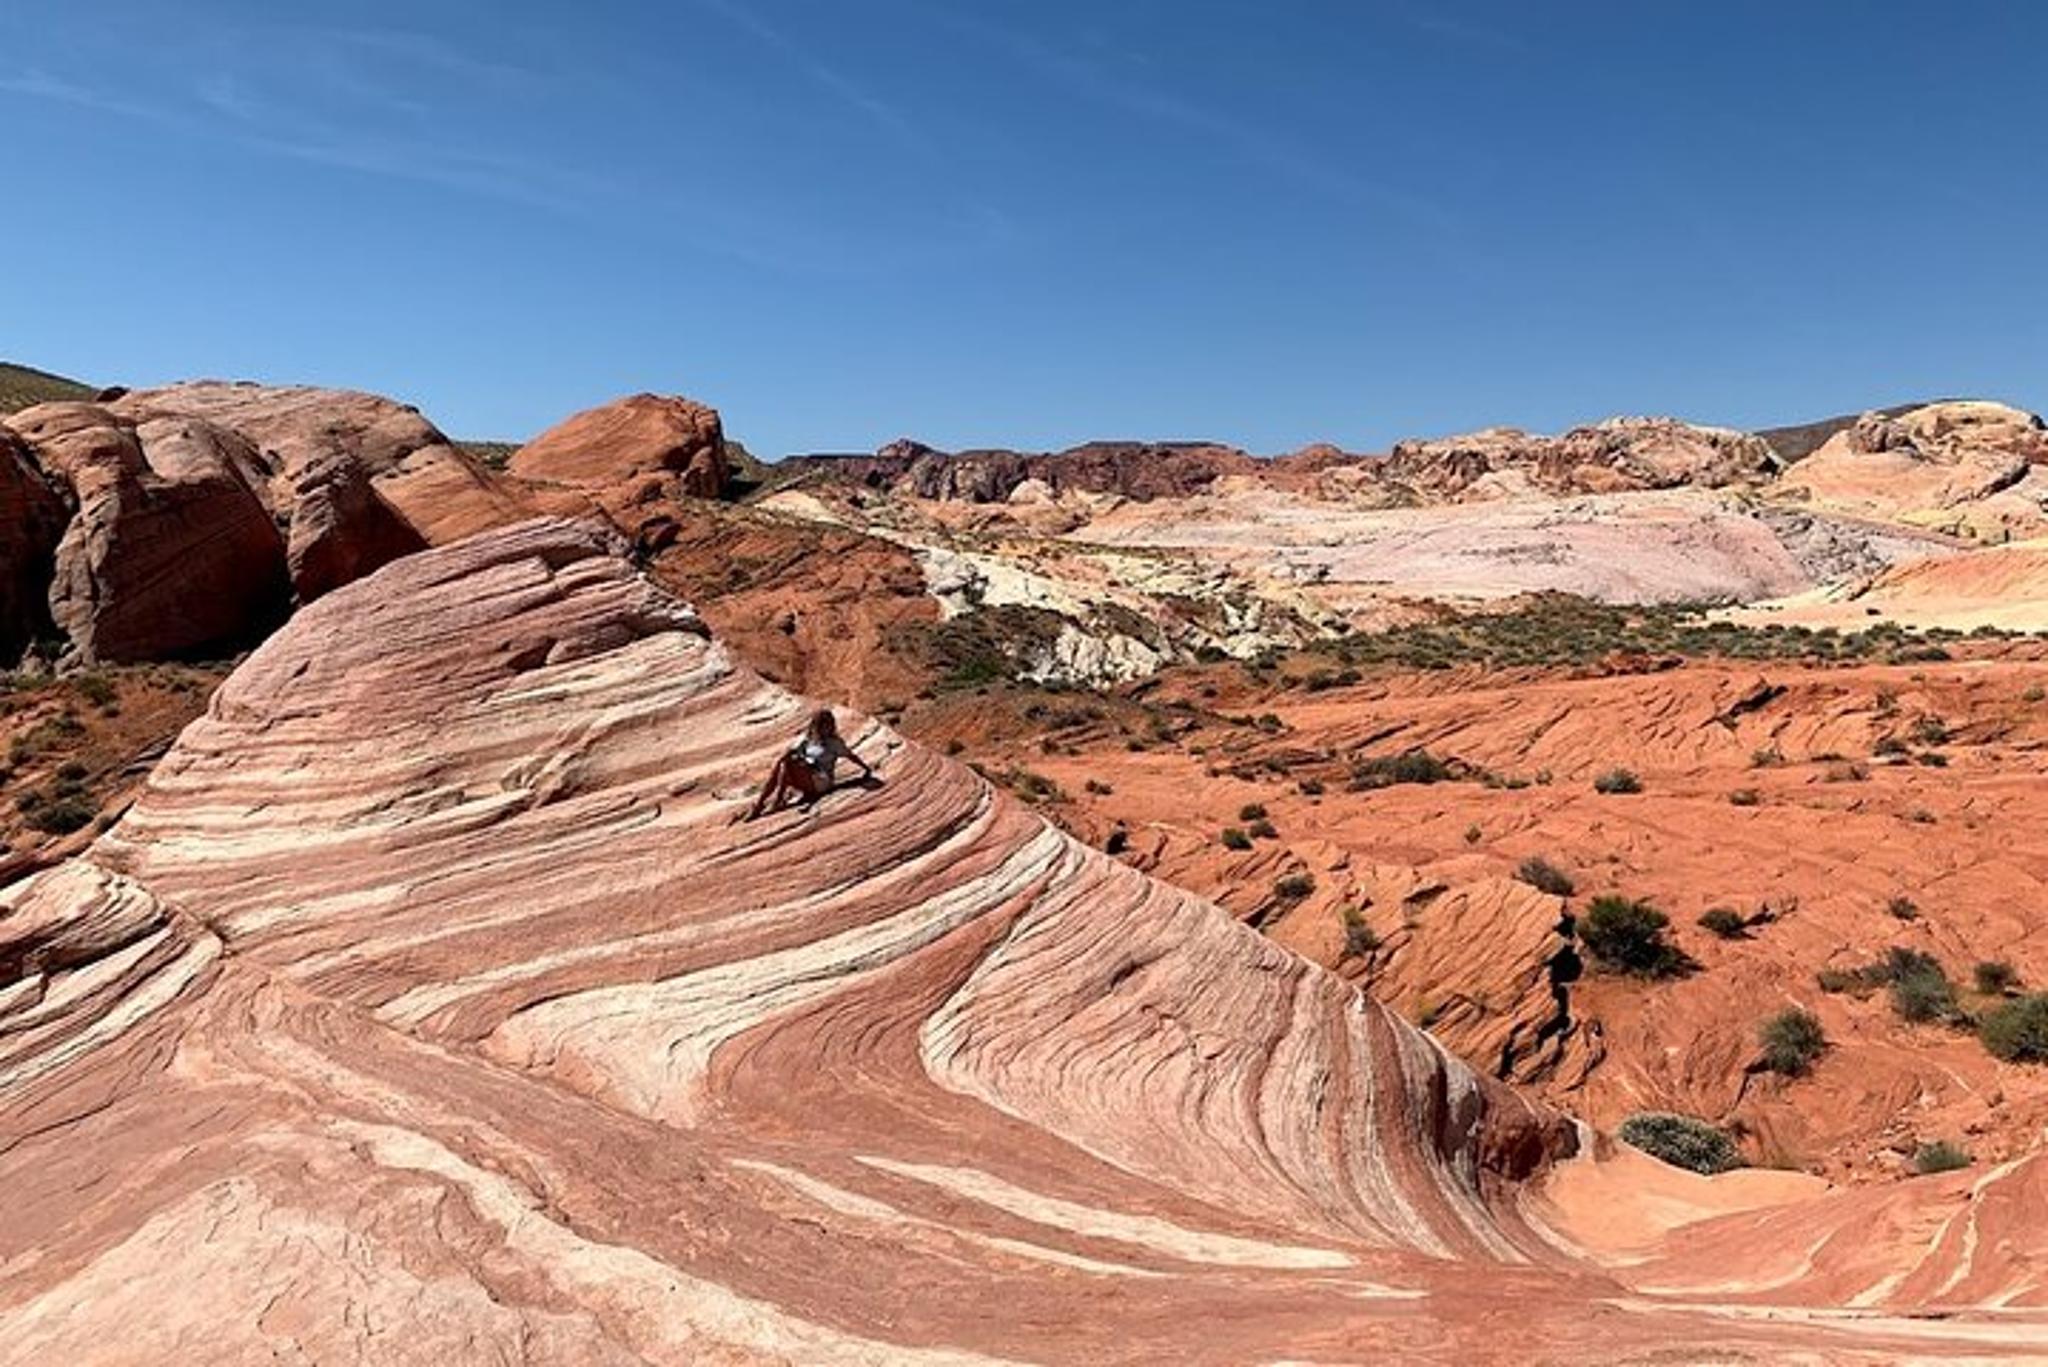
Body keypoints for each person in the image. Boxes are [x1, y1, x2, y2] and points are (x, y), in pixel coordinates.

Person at [744, 708, 877, 821]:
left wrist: (865, 768)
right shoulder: (808, 740)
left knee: (787, 763)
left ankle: (774, 801)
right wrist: (793, 755)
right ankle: (761, 804)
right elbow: (791, 752)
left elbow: (850, 756)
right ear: (816, 725)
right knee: (783, 763)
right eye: (823, 724)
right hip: (807, 777)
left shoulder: (834, 742)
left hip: (822, 781)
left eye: (829, 724)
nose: (827, 728)